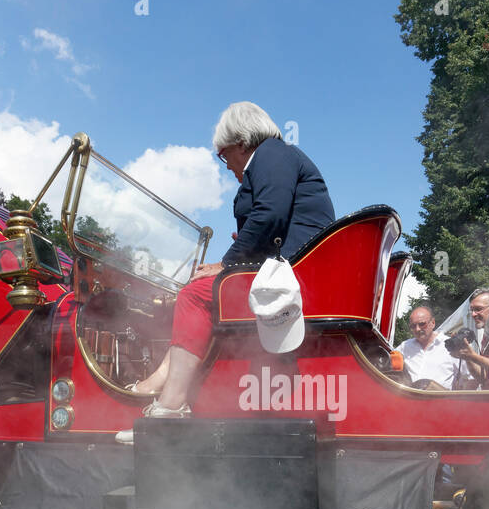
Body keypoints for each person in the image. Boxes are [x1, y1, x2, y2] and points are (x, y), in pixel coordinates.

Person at [117, 102, 334, 440]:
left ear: (242, 142)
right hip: (299, 269)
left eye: (224, 154)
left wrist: (227, 264)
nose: (226, 164)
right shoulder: (279, 157)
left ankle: (171, 406)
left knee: (195, 294)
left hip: (295, 276)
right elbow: (272, 223)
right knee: (208, 287)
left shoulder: (272, 154)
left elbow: (269, 215)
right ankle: (165, 376)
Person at [398, 305, 457, 389]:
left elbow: (469, 377)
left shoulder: (451, 345)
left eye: (422, 324)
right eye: (413, 326)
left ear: (433, 323)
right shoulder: (404, 347)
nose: (417, 329)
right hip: (410, 399)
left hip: (440, 400)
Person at [451, 289, 489, 389]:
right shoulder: (486, 337)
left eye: (478, 309)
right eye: (471, 310)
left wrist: (473, 356)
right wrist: (466, 356)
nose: (473, 314)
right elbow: (483, 377)